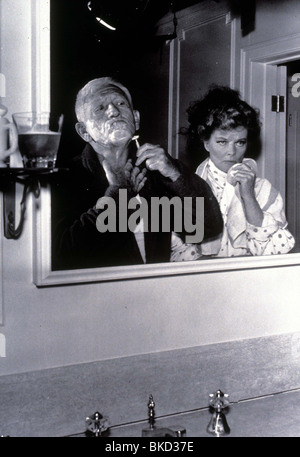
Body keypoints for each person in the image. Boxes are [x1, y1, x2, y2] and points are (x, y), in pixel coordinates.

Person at [51, 77, 223, 269]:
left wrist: (176, 174)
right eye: (100, 108)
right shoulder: (64, 177)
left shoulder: (155, 172)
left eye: (120, 103)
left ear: (136, 119)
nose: (114, 111)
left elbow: (206, 227)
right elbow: (60, 253)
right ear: (83, 131)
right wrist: (117, 196)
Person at [171, 85, 295, 261]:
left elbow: (277, 252)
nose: (232, 152)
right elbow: (174, 251)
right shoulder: (187, 189)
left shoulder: (264, 190)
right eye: (222, 142)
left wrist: (249, 196)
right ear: (206, 142)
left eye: (240, 142)